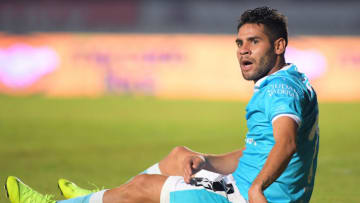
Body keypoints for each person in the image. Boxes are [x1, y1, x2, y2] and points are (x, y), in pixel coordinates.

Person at [5, 6, 319, 203]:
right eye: (239, 42)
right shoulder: (291, 80)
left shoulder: (279, 90)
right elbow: (260, 151)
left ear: (279, 46)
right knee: (180, 156)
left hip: (242, 197)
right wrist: (207, 161)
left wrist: (256, 190)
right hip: (241, 185)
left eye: (254, 42)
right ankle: (100, 198)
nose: (243, 50)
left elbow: (286, 143)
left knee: (140, 188)